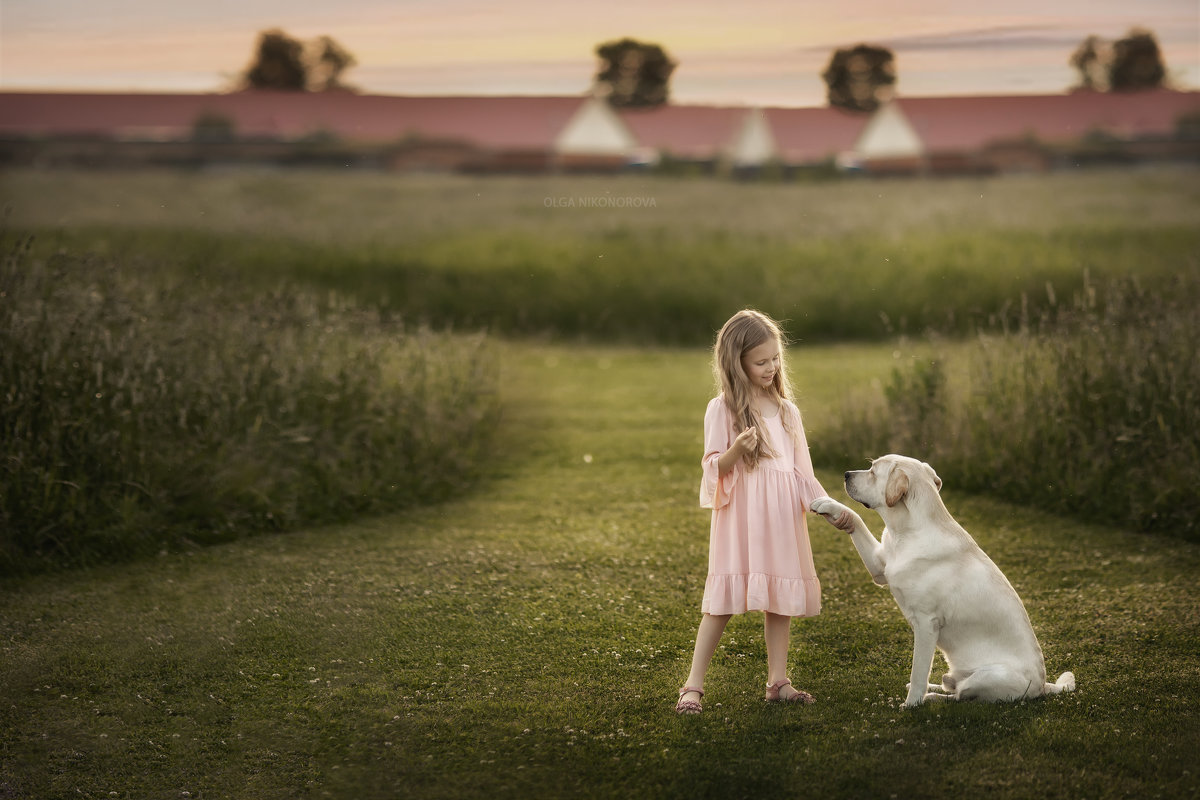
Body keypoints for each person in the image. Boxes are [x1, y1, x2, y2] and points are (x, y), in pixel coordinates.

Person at [676, 309, 853, 715]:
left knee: (778, 600)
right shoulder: (722, 409)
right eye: (761, 361)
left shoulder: (787, 412)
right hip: (741, 520)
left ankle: (778, 681)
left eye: (775, 358)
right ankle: (693, 686)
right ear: (736, 363)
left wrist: (827, 507)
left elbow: (802, 473)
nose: (771, 367)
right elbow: (712, 468)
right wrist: (736, 451)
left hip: (780, 520)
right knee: (719, 604)